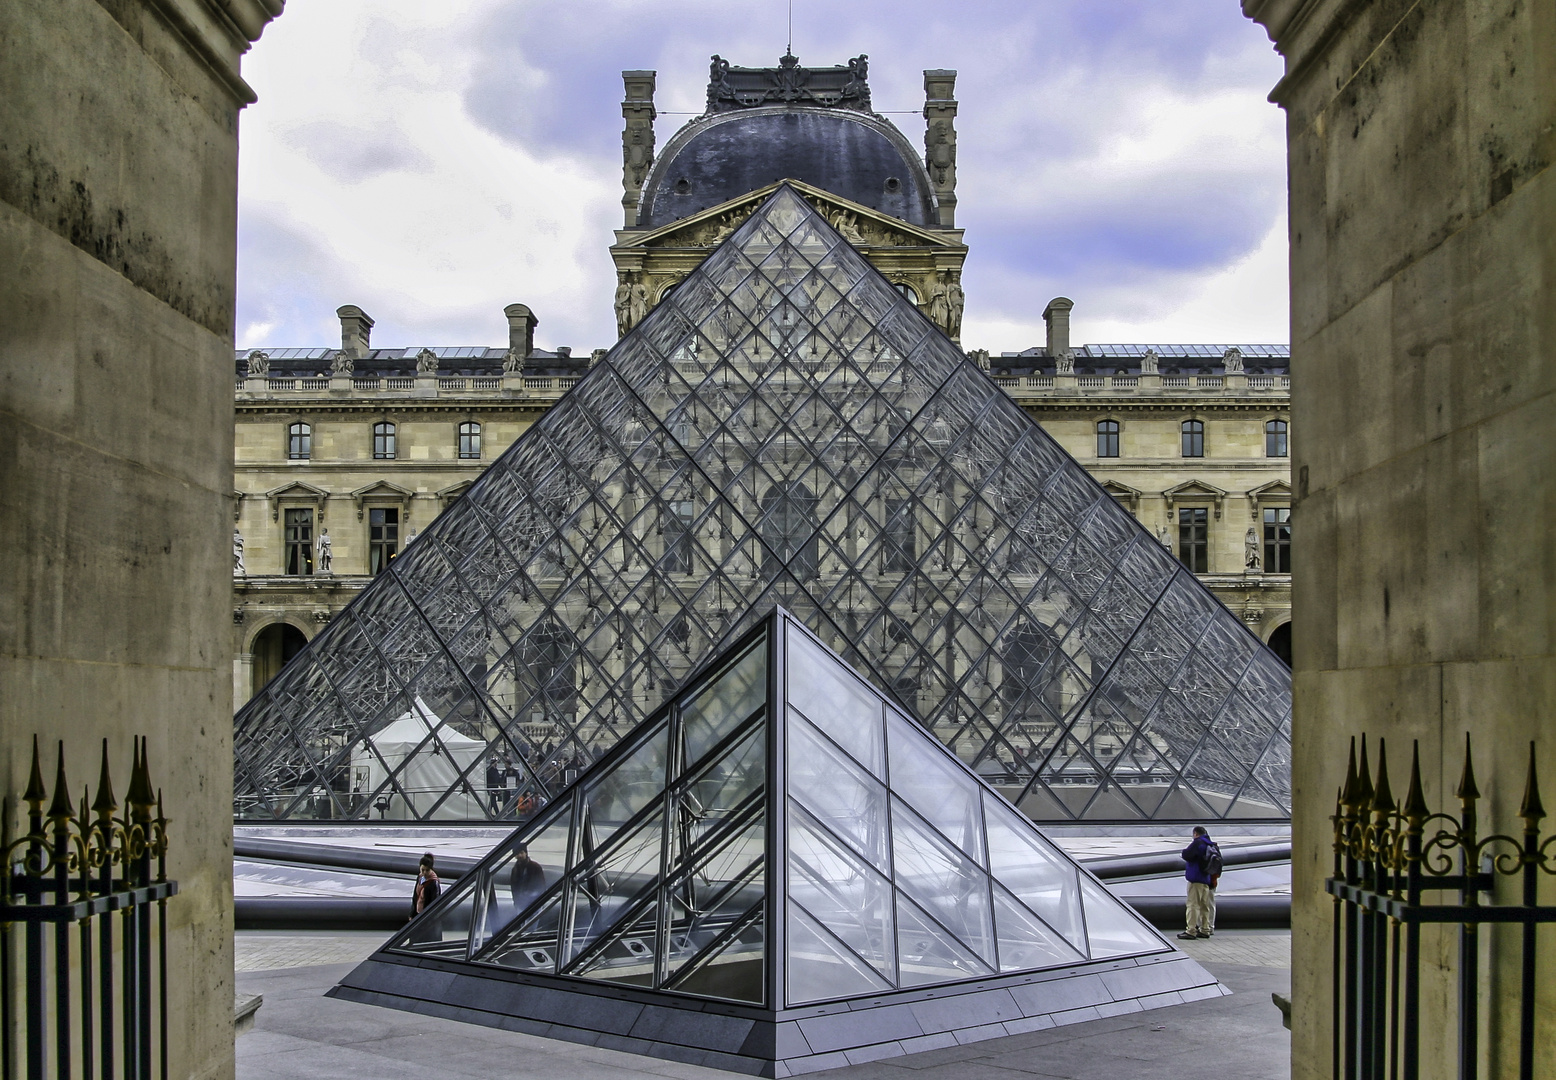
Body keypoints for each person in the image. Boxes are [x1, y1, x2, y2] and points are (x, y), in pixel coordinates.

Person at [1179, 826, 1219, 940]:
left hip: (1196, 878)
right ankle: (1205, 929)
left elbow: (1186, 854)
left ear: (1195, 833)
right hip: (1206, 879)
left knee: (1192, 905)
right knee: (1204, 905)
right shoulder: (1211, 844)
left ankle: (1191, 930)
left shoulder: (1198, 843)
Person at [407, 853, 441, 943]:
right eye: (422, 870)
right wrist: (412, 913)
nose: (424, 873)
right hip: (418, 915)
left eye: (427, 870)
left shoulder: (434, 883)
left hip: (427, 919)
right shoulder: (420, 877)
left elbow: (435, 903)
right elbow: (415, 896)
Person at [508, 844, 546, 913]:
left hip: (534, 903)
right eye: (517, 854)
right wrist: (516, 902)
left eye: (521, 853)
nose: (519, 855)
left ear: (526, 853)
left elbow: (541, 886)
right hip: (521, 904)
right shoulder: (515, 869)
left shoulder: (535, 867)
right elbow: (513, 888)